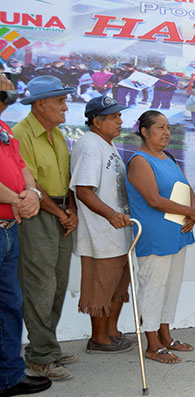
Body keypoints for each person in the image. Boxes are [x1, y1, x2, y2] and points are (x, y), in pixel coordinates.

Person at [13, 75, 78, 381]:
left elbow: (67, 177)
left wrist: (72, 209)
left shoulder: (58, 134)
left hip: (60, 210)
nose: (66, 107)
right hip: (38, 212)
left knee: (58, 283)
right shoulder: (21, 134)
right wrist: (61, 213)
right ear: (40, 104)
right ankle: (39, 356)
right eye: (59, 101)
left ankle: (47, 347)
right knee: (40, 285)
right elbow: (31, 185)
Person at [126, 111, 195, 364]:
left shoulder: (168, 157)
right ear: (144, 131)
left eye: (168, 127)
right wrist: (190, 212)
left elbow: (186, 187)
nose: (166, 132)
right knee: (153, 288)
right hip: (155, 236)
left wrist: (191, 213)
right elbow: (153, 200)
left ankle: (166, 336)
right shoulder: (139, 160)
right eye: (159, 127)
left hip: (178, 233)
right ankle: (152, 344)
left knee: (171, 287)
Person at [70, 96, 135, 354]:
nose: (120, 121)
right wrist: (110, 215)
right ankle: (98, 338)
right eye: (113, 117)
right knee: (101, 288)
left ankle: (111, 331)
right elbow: (83, 191)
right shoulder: (90, 144)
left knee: (117, 286)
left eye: (120, 116)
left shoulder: (106, 145)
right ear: (96, 122)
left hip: (119, 233)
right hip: (101, 234)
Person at [0, 73, 52, 396]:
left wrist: (31, 192)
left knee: (10, 305)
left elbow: (22, 167)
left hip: (8, 230)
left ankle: (9, 375)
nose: (10, 91)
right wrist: (18, 198)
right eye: (5, 86)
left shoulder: (4, 128)